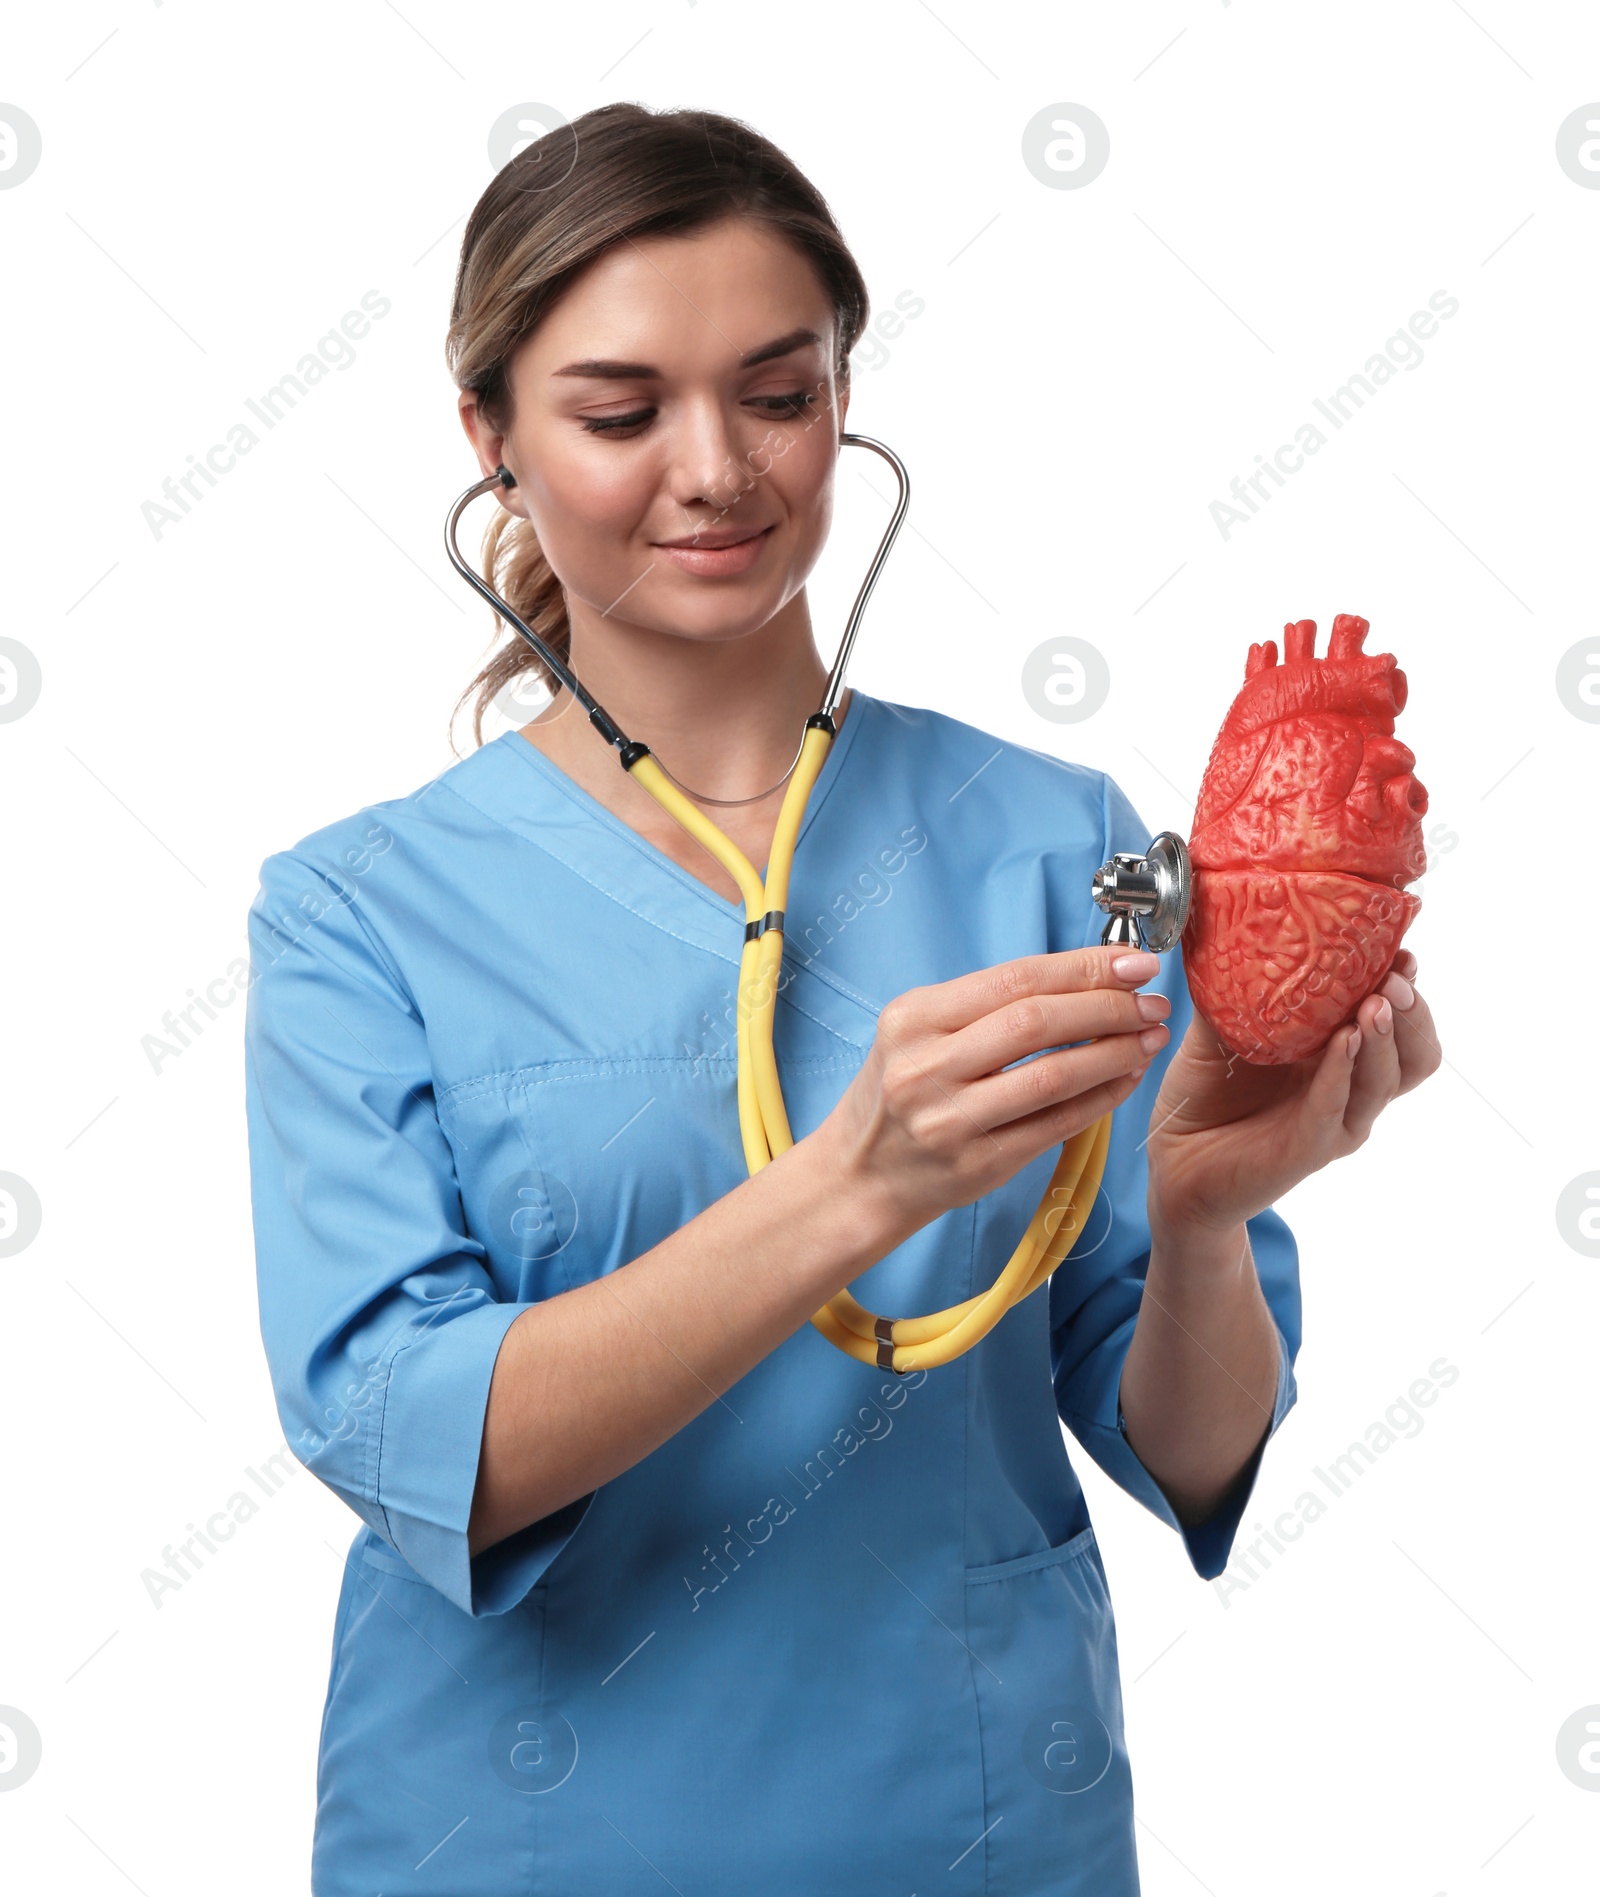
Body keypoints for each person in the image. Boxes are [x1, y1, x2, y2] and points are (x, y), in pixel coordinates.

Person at [243, 102, 1440, 1896]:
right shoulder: (358, 911)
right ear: (489, 436)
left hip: (964, 1832)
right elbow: (433, 1450)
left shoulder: (1064, 847)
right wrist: (852, 1187)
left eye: (778, 392)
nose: (716, 468)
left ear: (845, 398)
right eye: (621, 411)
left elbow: (1190, 1448)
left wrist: (1199, 1219)